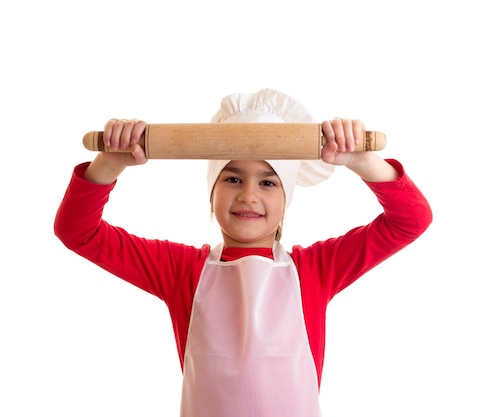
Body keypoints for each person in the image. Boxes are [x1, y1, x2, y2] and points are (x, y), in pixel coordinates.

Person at [54, 88, 432, 416]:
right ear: (211, 190)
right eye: (233, 178)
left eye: (268, 182)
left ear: (287, 199)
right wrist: (110, 162)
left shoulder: (316, 270)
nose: (249, 194)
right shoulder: (180, 271)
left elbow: (410, 221)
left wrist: (361, 160)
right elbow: (78, 231)